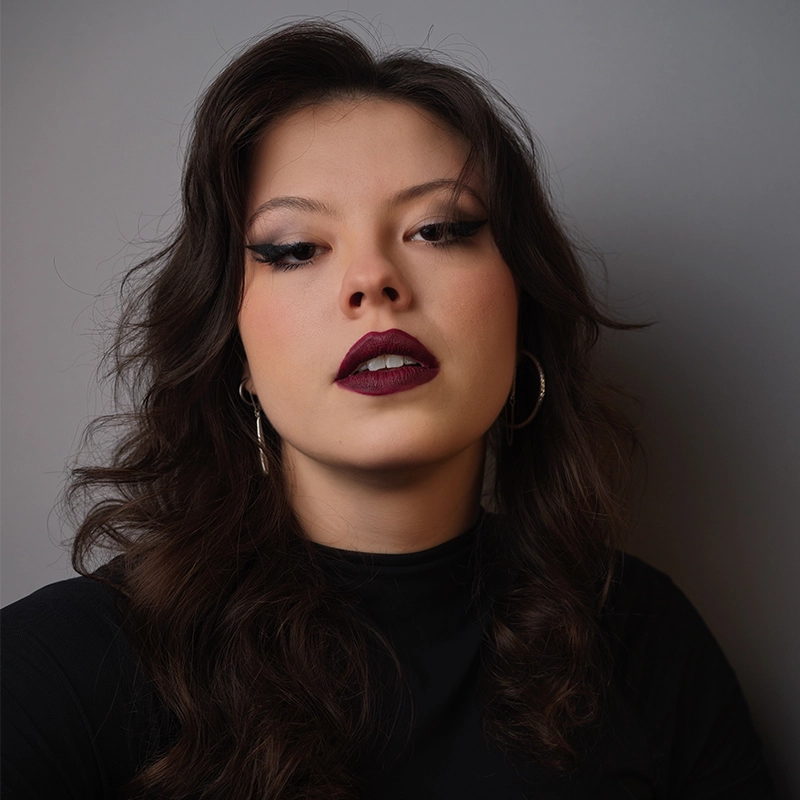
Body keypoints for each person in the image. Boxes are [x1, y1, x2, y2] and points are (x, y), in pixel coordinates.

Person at [1, 19, 774, 800]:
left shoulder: (641, 638)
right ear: (231, 347)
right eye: (297, 247)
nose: (374, 280)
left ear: (521, 305)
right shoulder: (65, 666)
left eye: (438, 229)